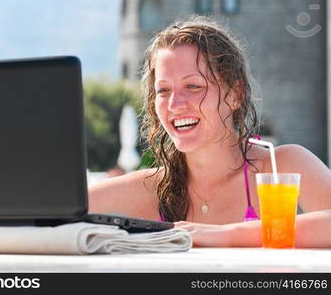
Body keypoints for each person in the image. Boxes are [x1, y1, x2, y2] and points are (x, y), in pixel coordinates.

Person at [88, 15, 331, 248]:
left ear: (236, 94)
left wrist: (227, 235)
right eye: (163, 90)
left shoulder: (280, 166)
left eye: (193, 86)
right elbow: (56, 209)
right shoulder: (153, 188)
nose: (174, 104)